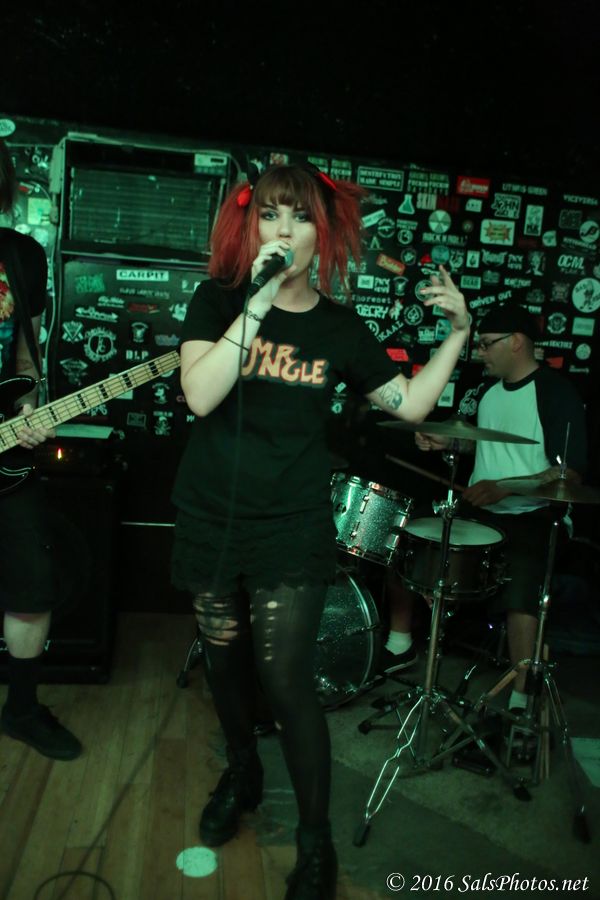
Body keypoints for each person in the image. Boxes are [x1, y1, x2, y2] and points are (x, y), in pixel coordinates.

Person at [170, 162, 469, 899]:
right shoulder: (218, 300)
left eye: (299, 217)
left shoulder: (339, 328)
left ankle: (315, 841)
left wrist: (459, 334)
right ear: (251, 226)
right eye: (270, 214)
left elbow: (409, 404)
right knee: (223, 666)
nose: (284, 230)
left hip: (291, 523)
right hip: (212, 516)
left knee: (286, 681)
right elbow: (201, 395)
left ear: (322, 233)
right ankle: (241, 771)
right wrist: (257, 301)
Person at [382, 303, 587, 716]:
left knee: (523, 580)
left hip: (536, 515)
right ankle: (399, 645)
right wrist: (447, 442)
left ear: (517, 342)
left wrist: (506, 487)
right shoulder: (489, 392)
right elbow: (485, 446)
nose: (480, 353)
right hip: (484, 509)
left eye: (487, 344)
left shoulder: (555, 393)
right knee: (411, 539)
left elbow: (570, 474)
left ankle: (522, 697)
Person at [0, 139, 82, 760]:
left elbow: (25, 355)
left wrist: (30, 408)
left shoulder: (21, 256)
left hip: (6, 454)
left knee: (33, 583)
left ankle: (22, 709)